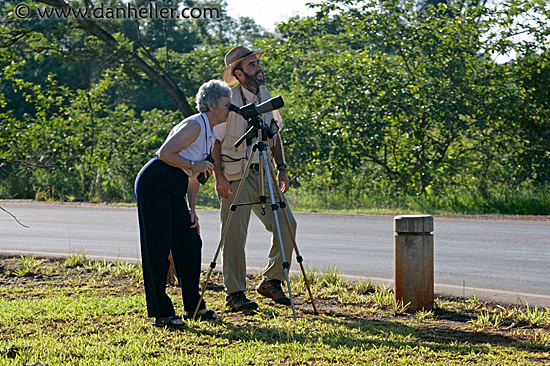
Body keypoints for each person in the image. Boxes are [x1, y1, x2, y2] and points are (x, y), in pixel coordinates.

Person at [135, 80, 231, 326]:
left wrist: (192, 209)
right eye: (226, 103)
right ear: (211, 105)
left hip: (175, 188)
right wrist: (193, 165)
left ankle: (194, 307)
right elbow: (165, 154)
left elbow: (195, 178)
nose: (229, 108)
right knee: (159, 246)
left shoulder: (210, 133)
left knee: (189, 241)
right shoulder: (194, 125)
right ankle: (162, 313)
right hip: (155, 184)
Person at [213, 46, 297, 311]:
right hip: (235, 175)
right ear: (238, 74)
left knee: (287, 224)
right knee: (234, 235)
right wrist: (219, 178)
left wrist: (281, 168)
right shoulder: (226, 101)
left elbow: (275, 134)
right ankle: (235, 293)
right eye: (251, 65)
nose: (259, 68)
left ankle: (272, 281)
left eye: (257, 63)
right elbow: (214, 144)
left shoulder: (266, 95)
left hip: (264, 173)